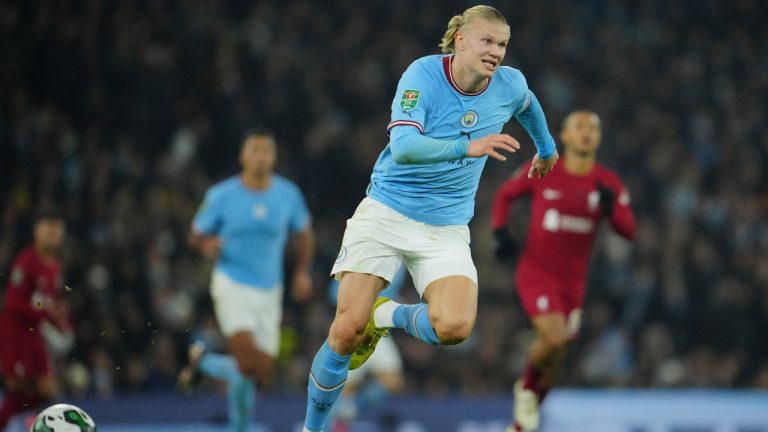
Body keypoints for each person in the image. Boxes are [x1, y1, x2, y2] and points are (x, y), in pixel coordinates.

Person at [302, 5, 559, 431]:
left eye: (502, 44)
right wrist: (467, 147)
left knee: (455, 327)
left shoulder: (509, 83)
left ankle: (385, 315)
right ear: (461, 39)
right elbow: (404, 148)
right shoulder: (422, 75)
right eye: (487, 41)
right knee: (346, 330)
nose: (495, 52)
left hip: (445, 227)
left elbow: (528, 105)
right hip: (387, 211)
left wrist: (546, 149)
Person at [491, 110, 636, 431]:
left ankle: (522, 424)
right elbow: (505, 194)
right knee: (554, 338)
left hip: (573, 284)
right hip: (537, 273)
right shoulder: (546, 167)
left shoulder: (607, 182)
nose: (586, 132)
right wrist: (500, 232)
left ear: (598, 138)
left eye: (592, 128)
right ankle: (525, 389)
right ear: (565, 136)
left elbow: (628, 230)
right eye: (578, 127)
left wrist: (611, 209)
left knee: (556, 357)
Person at [179, 129, 315, 432]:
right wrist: (207, 244)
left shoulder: (288, 194)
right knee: (245, 361)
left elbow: (305, 234)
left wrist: (301, 272)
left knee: (261, 375)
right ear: (243, 156)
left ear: (274, 157)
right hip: (232, 282)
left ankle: (203, 362)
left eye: (267, 150)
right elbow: (195, 235)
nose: (261, 156)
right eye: (255, 150)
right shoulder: (221, 195)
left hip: (270, 288)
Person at [0, 212, 71, 430]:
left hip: (34, 335)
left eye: (56, 232)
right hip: (15, 334)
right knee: (16, 388)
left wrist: (56, 314)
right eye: (49, 231)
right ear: (38, 233)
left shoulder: (54, 266)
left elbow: (45, 302)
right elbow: (12, 302)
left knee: (47, 390)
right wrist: (45, 311)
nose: (53, 237)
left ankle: (27, 420)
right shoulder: (26, 261)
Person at [326, 266, 407, 432]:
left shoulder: (400, 264)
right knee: (346, 387)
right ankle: (334, 425)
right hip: (354, 326)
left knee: (393, 382)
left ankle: (352, 408)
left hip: (379, 330)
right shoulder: (355, 260)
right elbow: (334, 294)